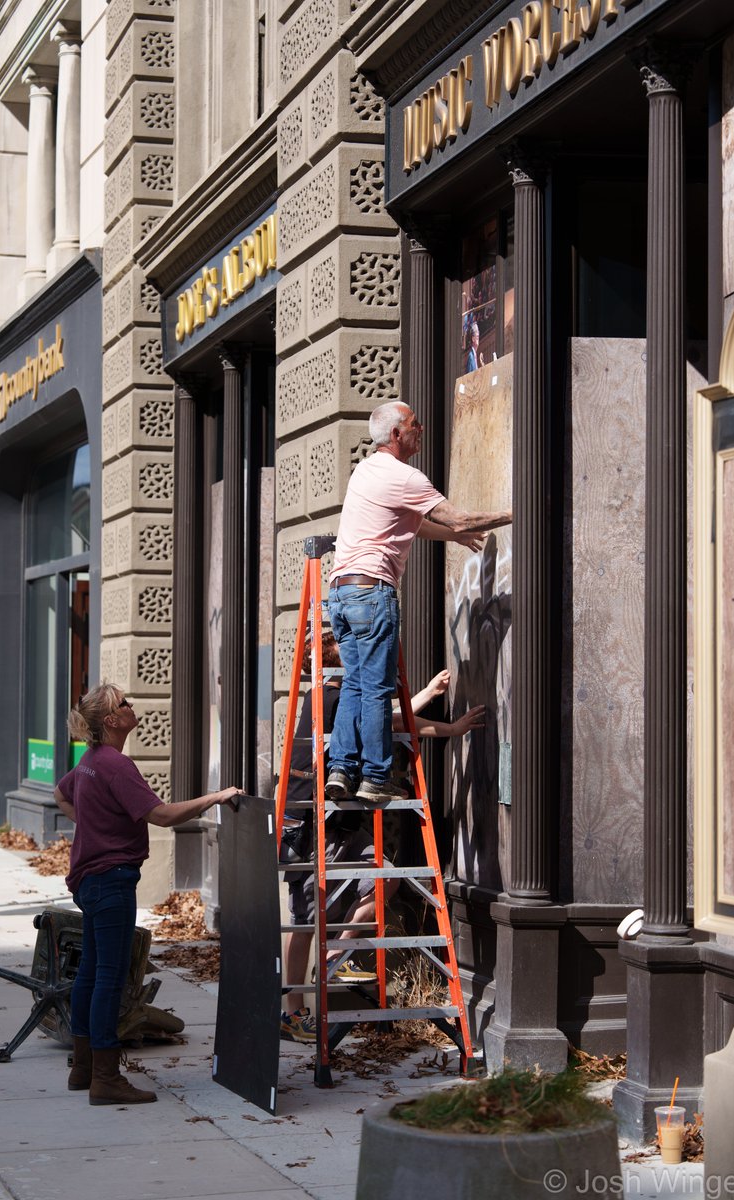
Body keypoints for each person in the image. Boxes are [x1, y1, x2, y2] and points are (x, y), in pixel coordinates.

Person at [280, 635, 485, 1043]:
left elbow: (392, 719)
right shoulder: (329, 696)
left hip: (339, 819)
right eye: (351, 650)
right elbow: (391, 720)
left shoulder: (342, 694)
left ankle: (337, 954)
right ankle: (293, 1012)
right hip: (309, 822)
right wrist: (444, 718)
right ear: (338, 662)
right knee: (305, 921)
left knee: (384, 876)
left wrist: (432, 702)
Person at [54, 684, 243, 1105]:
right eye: (124, 703)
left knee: (90, 973)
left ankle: (82, 1069)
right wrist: (216, 797)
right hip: (110, 880)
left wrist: (95, 827)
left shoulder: (89, 762)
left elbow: (61, 794)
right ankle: (105, 1078)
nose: (131, 706)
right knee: (110, 977)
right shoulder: (116, 765)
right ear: (111, 721)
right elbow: (161, 815)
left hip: (89, 880)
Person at [325, 400, 512, 804]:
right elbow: (457, 517)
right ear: (396, 434)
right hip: (372, 592)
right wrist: (516, 512)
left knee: (355, 685)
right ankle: (375, 777)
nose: (421, 428)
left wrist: (453, 536)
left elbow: (416, 522)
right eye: (414, 424)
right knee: (376, 689)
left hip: (340, 593)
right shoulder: (404, 476)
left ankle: (340, 769)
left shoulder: (367, 470)